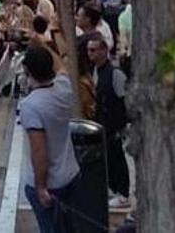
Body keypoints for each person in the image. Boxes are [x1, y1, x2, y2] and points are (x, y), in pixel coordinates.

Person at [20, 44, 79, 233]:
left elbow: (39, 151)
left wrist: (40, 187)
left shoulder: (31, 105)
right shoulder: (64, 88)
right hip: (70, 175)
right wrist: (43, 44)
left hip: (49, 184)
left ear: (27, 71)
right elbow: (61, 66)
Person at [87, 36, 131, 208]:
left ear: (104, 50)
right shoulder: (94, 70)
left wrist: (122, 125)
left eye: (94, 49)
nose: (90, 53)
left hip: (113, 125)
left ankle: (123, 193)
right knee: (108, 158)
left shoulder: (115, 74)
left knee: (117, 157)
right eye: (89, 50)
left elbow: (124, 100)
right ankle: (114, 188)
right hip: (101, 124)